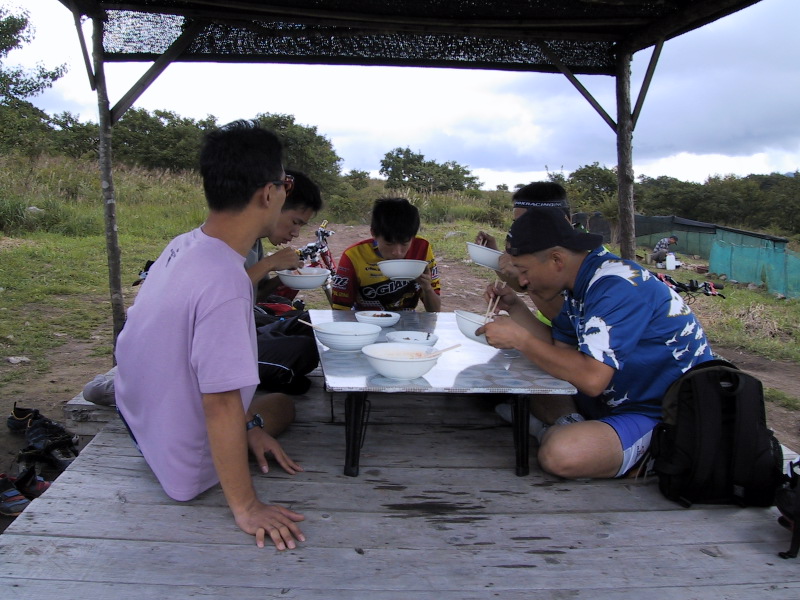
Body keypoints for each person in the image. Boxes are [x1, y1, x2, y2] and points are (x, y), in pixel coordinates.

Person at [114, 120, 306, 551]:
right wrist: (247, 506)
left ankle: (250, 425)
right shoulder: (226, 282)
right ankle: (250, 434)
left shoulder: (183, 244)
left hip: (143, 424)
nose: (284, 192)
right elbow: (220, 403)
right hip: (182, 460)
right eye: (286, 184)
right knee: (282, 405)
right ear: (268, 193)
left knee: (262, 406)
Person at [477, 207, 714, 480]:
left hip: (659, 412)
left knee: (562, 454)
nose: (522, 281)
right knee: (526, 371)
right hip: (611, 398)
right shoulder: (582, 278)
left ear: (556, 259)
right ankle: (570, 425)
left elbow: (591, 379)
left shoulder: (616, 287)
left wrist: (521, 340)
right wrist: (515, 308)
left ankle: (562, 432)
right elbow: (559, 349)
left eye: (524, 270)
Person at [476, 182, 571, 323]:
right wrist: (493, 254)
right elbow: (520, 284)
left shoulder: (582, 262)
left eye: (524, 223)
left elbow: (569, 323)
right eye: (516, 223)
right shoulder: (545, 248)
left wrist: (527, 282)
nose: (518, 230)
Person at [331, 197, 441, 312]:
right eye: (389, 244)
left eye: (404, 243)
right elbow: (339, 310)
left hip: (408, 322)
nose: (397, 252)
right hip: (366, 321)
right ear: (373, 233)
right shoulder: (354, 256)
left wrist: (427, 288)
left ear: (413, 237)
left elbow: (435, 311)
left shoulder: (422, 249)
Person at [245, 169, 323, 304]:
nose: (296, 233)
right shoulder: (224, 241)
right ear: (273, 203)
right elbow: (221, 294)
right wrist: (269, 263)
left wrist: (285, 275)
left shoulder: (255, 242)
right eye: (295, 222)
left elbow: (255, 295)